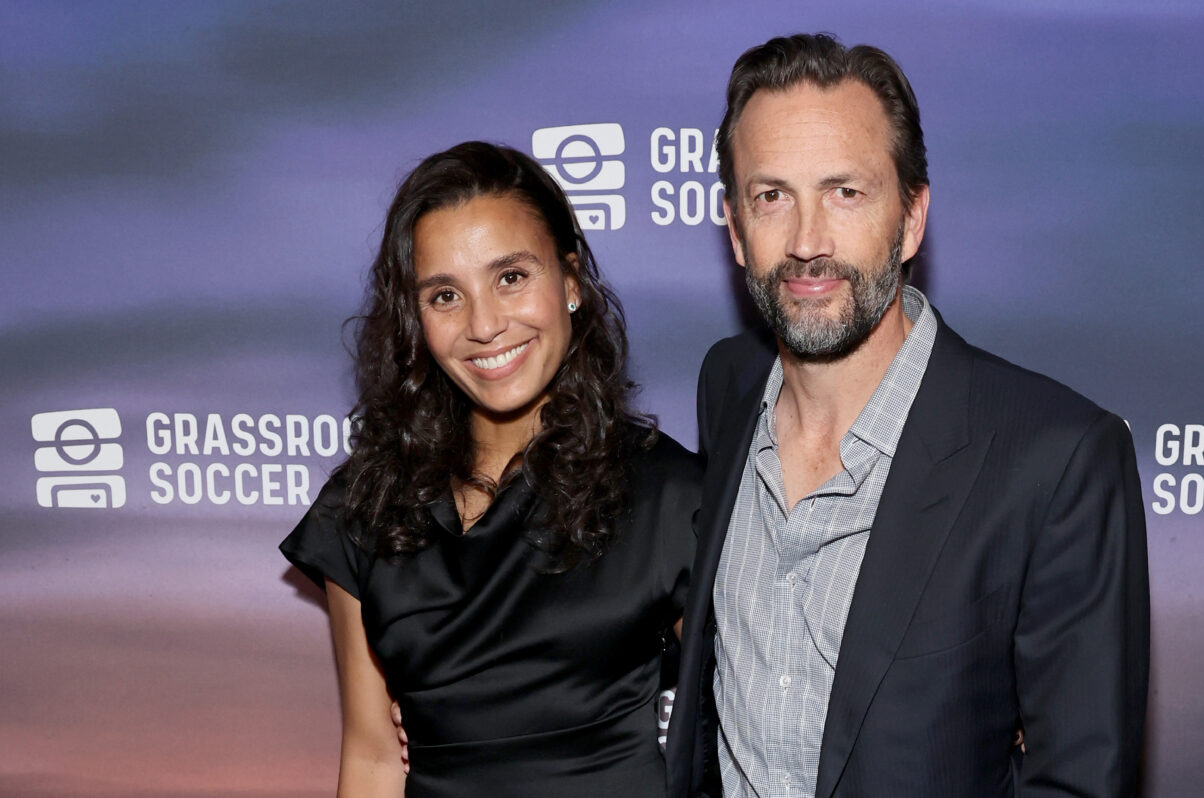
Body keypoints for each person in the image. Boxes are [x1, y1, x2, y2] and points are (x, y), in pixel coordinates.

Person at [664, 34, 1150, 797]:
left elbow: (1079, 780)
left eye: (844, 192)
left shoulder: (1055, 461)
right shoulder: (727, 387)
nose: (806, 243)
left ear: (912, 216)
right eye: (771, 196)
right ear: (734, 229)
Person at [280, 141, 700, 797]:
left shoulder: (665, 495)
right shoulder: (366, 505)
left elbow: (740, 737)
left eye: (511, 278)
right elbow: (371, 758)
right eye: (445, 295)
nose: (484, 325)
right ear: (415, 319)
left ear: (570, 283)